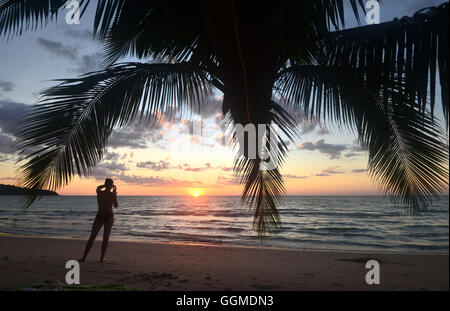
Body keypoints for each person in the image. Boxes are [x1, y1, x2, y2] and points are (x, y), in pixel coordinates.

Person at [80, 178, 118, 262]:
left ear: (105, 184)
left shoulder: (99, 192)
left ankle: (84, 257)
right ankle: (101, 258)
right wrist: (114, 192)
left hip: (100, 216)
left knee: (92, 237)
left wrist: (105, 186)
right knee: (105, 238)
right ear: (111, 186)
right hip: (109, 216)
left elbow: (98, 187)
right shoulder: (112, 194)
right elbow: (116, 206)